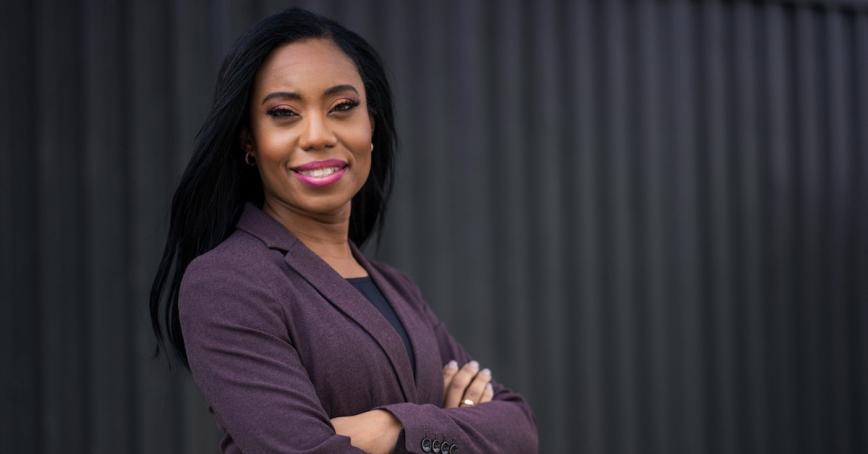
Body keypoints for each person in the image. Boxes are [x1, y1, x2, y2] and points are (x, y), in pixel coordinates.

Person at [149, 7, 538, 454]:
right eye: (284, 113)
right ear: (249, 140)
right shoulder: (228, 282)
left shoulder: (397, 289)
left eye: (343, 107)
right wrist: (453, 428)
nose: (317, 135)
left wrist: (390, 428)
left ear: (371, 124)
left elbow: (519, 429)